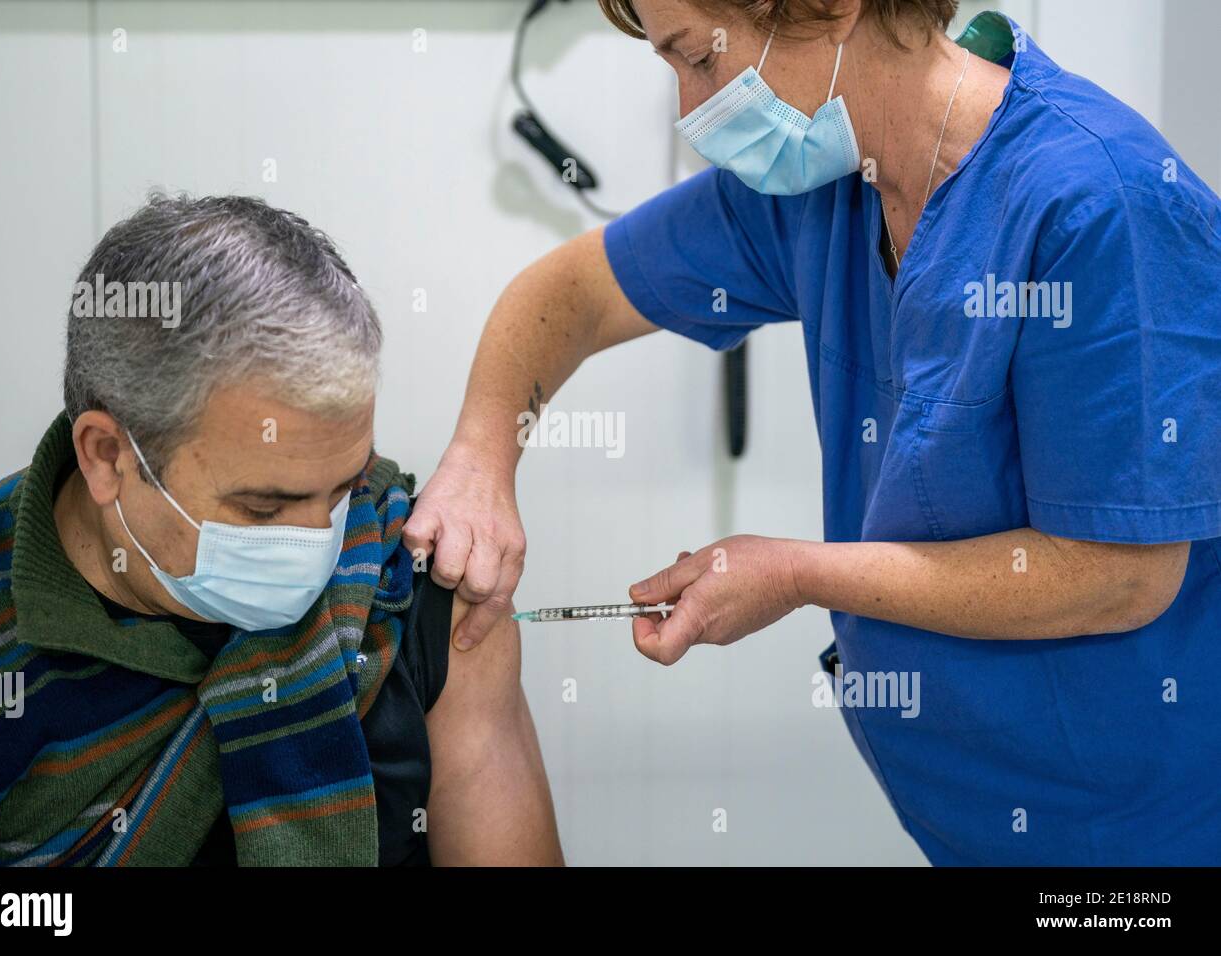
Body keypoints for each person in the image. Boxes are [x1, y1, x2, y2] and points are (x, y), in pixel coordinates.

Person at [405, 2, 1221, 864]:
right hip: (967, 819)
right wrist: (478, 461)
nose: (692, 108)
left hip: (1137, 833)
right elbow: (569, 295)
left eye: (699, 58)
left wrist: (793, 573)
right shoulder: (828, 186)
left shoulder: (1098, 203)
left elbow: (1120, 577)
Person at [0, 194, 562, 866]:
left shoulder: (414, 574)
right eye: (263, 508)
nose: (321, 543)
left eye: (343, 487)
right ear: (107, 456)